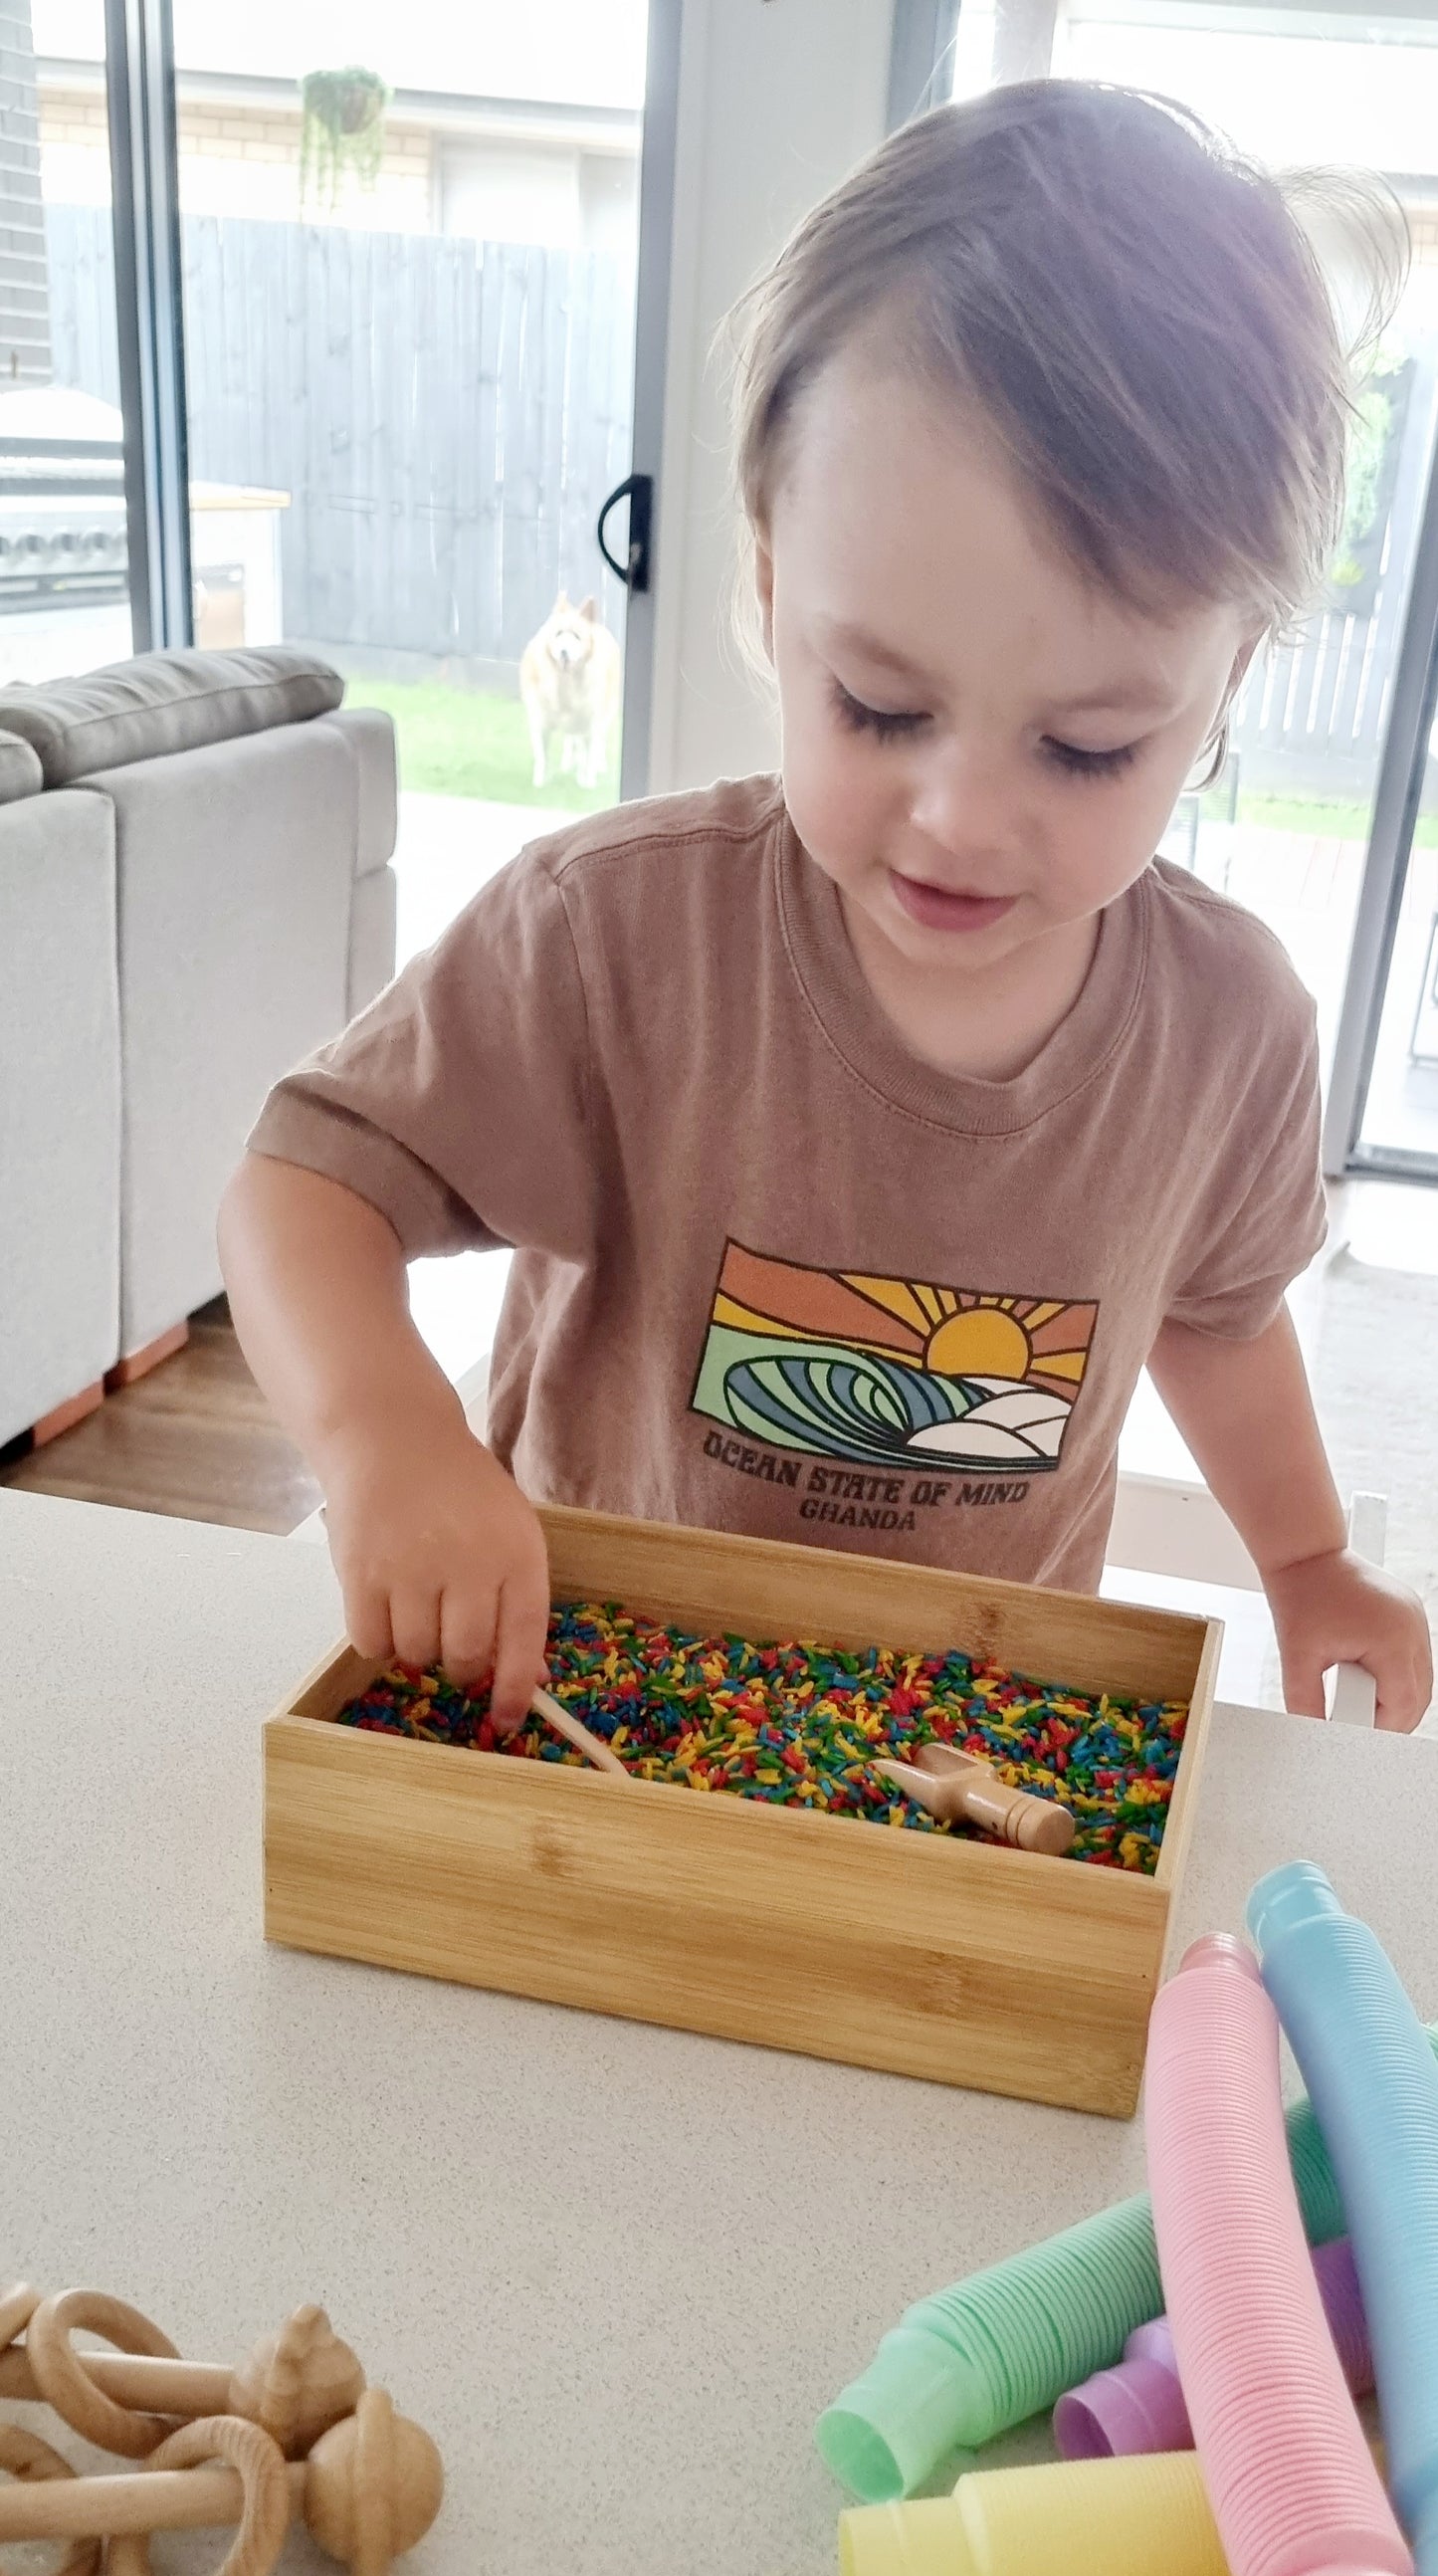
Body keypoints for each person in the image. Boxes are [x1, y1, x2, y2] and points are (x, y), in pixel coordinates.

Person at [220, 81, 1433, 1733]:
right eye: (876, 705)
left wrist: (1299, 1561)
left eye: (1086, 747)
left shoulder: (1230, 1029)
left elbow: (1214, 1317)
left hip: (954, 1744)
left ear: (1229, 683)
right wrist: (384, 1433)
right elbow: (301, 1190)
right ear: (776, 586)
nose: (959, 821)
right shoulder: (612, 934)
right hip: (586, 1704)